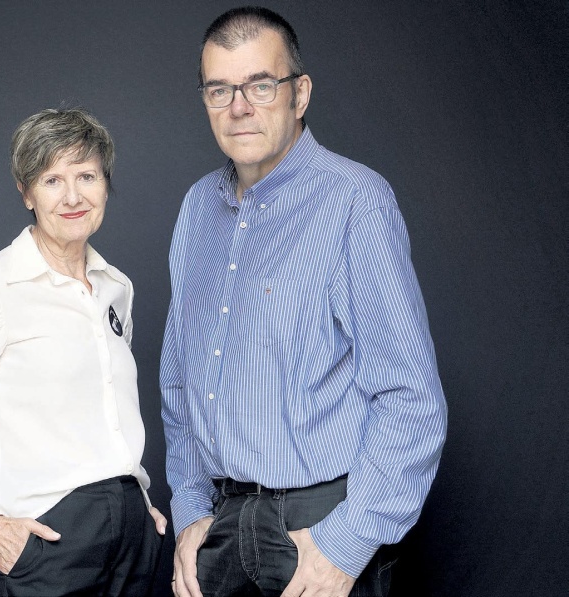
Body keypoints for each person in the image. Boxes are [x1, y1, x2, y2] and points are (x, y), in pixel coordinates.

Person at [161, 7, 447, 597]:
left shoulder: (355, 201)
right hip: (219, 529)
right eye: (219, 89)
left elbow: (411, 398)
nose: (239, 106)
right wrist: (189, 509)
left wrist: (347, 543)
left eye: (260, 85)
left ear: (300, 93)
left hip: (320, 527)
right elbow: (179, 380)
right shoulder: (196, 209)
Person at [0, 107, 166, 597]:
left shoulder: (117, 287)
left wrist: (138, 495)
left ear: (105, 185)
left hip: (131, 538)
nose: (73, 196)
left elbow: (105, 408)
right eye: (52, 180)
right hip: (43, 540)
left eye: (86, 176)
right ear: (26, 193)